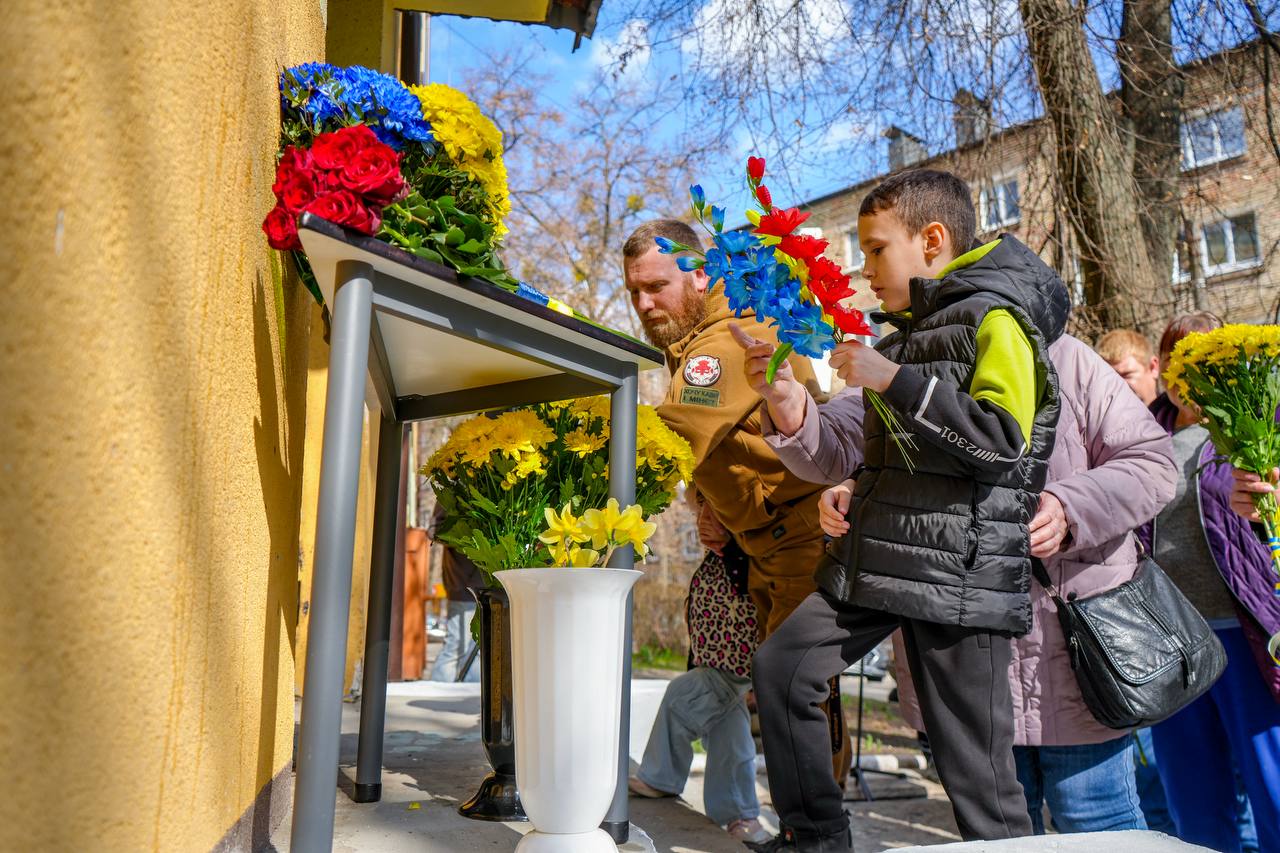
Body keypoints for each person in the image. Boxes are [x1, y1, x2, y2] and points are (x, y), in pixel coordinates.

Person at [740, 168, 1070, 851]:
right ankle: (817, 836)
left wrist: (895, 380)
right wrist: (851, 478)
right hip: (883, 555)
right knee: (783, 667)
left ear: (932, 240)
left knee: (975, 773)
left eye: (874, 249)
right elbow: (886, 448)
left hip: (959, 575)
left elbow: (999, 445)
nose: (863, 271)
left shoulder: (996, 319)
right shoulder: (903, 336)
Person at [761, 298, 1177, 839]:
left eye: (880, 250)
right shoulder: (900, 360)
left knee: (1095, 825)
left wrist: (1071, 508)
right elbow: (840, 444)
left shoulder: (1066, 360)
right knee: (991, 836)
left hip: (1067, 660)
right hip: (958, 666)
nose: (872, 272)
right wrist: (830, 455)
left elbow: (1152, 464)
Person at [621, 219, 852, 788]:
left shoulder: (726, 338)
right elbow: (727, 438)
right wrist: (706, 500)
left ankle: (815, 832)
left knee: (799, 693)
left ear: (699, 274)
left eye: (656, 286)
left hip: (799, 540)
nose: (644, 304)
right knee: (743, 685)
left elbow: (672, 439)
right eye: (634, 291)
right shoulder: (693, 340)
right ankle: (757, 814)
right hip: (759, 545)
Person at [1139, 313, 1280, 853]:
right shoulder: (1137, 432)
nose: (1184, 370)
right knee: (1194, 801)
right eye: (1175, 357)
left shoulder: (1251, 421)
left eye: (1198, 356)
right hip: (1174, 642)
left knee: (1272, 791)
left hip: (1247, 637)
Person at [629, 542, 770, 844]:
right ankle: (738, 812)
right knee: (726, 719)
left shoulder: (745, 544)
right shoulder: (719, 549)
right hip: (716, 651)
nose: (703, 519)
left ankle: (666, 778)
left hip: (736, 649)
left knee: (686, 695)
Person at [1094, 328, 1177, 837]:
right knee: (1153, 768)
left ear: (1152, 369)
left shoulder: (1170, 433)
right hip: (1136, 618)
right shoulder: (1108, 436)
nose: (1118, 388)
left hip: (1182, 614)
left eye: (1125, 375)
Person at [427, 503, 482, 682]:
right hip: (463, 582)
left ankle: (469, 695)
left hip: (488, 583)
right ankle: (438, 693)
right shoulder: (452, 485)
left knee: (478, 648)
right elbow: (434, 530)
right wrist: (466, 534)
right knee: (456, 645)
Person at [1096, 328, 1162, 406]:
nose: (1118, 386)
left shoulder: (1177, 414)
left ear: (1153, 367)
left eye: (1126, 375)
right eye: (1110, 380)